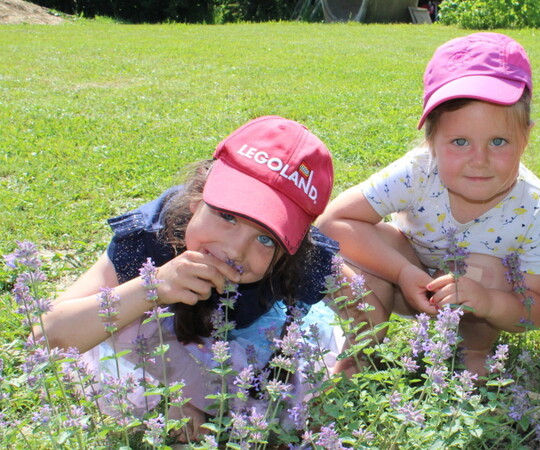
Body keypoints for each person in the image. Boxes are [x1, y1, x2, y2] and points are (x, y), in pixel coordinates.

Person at [33, 116, 340, 441]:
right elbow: (46, 334)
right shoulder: (148, 239)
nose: (235, 250)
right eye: (227, 216)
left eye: (267, 239)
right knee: (128, 321)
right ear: (197, 198)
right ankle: (177, 398)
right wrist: (153, 286)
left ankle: (205, 404)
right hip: (159, 345)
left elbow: (364, 300)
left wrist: (355, 364)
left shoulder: (305, 261)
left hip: (252, 352)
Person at [317, 32, 540, 377]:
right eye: (459, 141)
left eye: (498, 141)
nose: (479, 160)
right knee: (376, 237)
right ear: (431, 140)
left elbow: (538, 309)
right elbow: (332, 223)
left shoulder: (536, 207)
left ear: (526, 137)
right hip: (408, 284)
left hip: (480, 303)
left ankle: (474, 353)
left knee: (487, 267)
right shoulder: (418, 170)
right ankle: (362, 349)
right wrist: (403, 272)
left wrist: (487, 301)